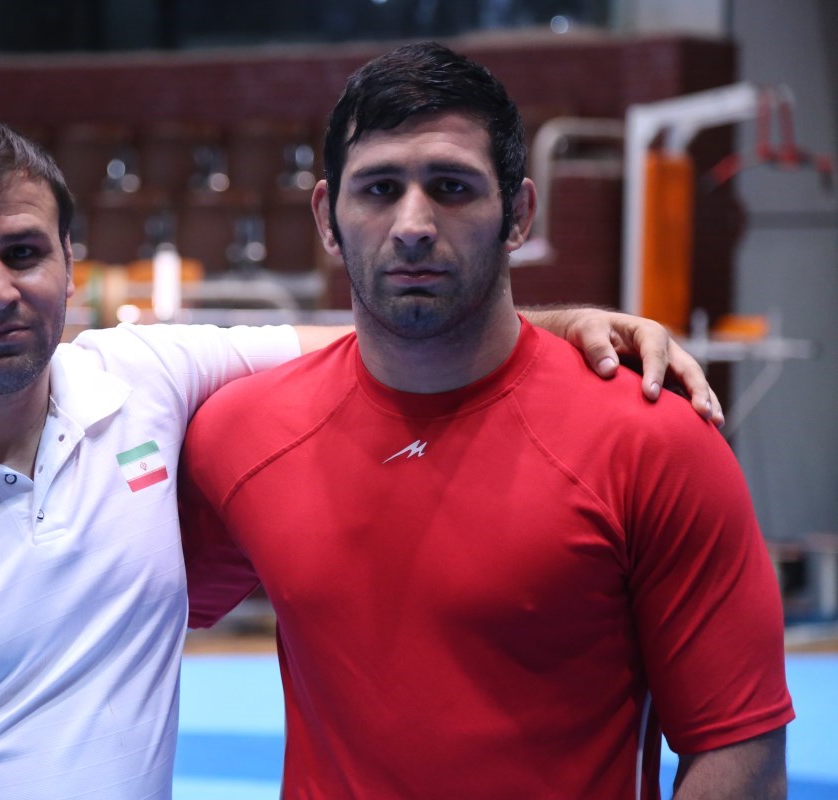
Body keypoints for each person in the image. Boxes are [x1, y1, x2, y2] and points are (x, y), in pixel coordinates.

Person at [0, 113, 720, 800]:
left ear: (71, 263)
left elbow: (396, 338)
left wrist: (569, 323)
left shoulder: (144, 378)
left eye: (24, 252)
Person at [180, 42, 793, 799]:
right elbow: (105, 622)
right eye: (379, 188)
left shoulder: (652, 442)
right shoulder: (237, 437)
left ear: (519, 214)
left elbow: (742, 753)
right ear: (327, 218)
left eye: (452, 187)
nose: (413, 223)